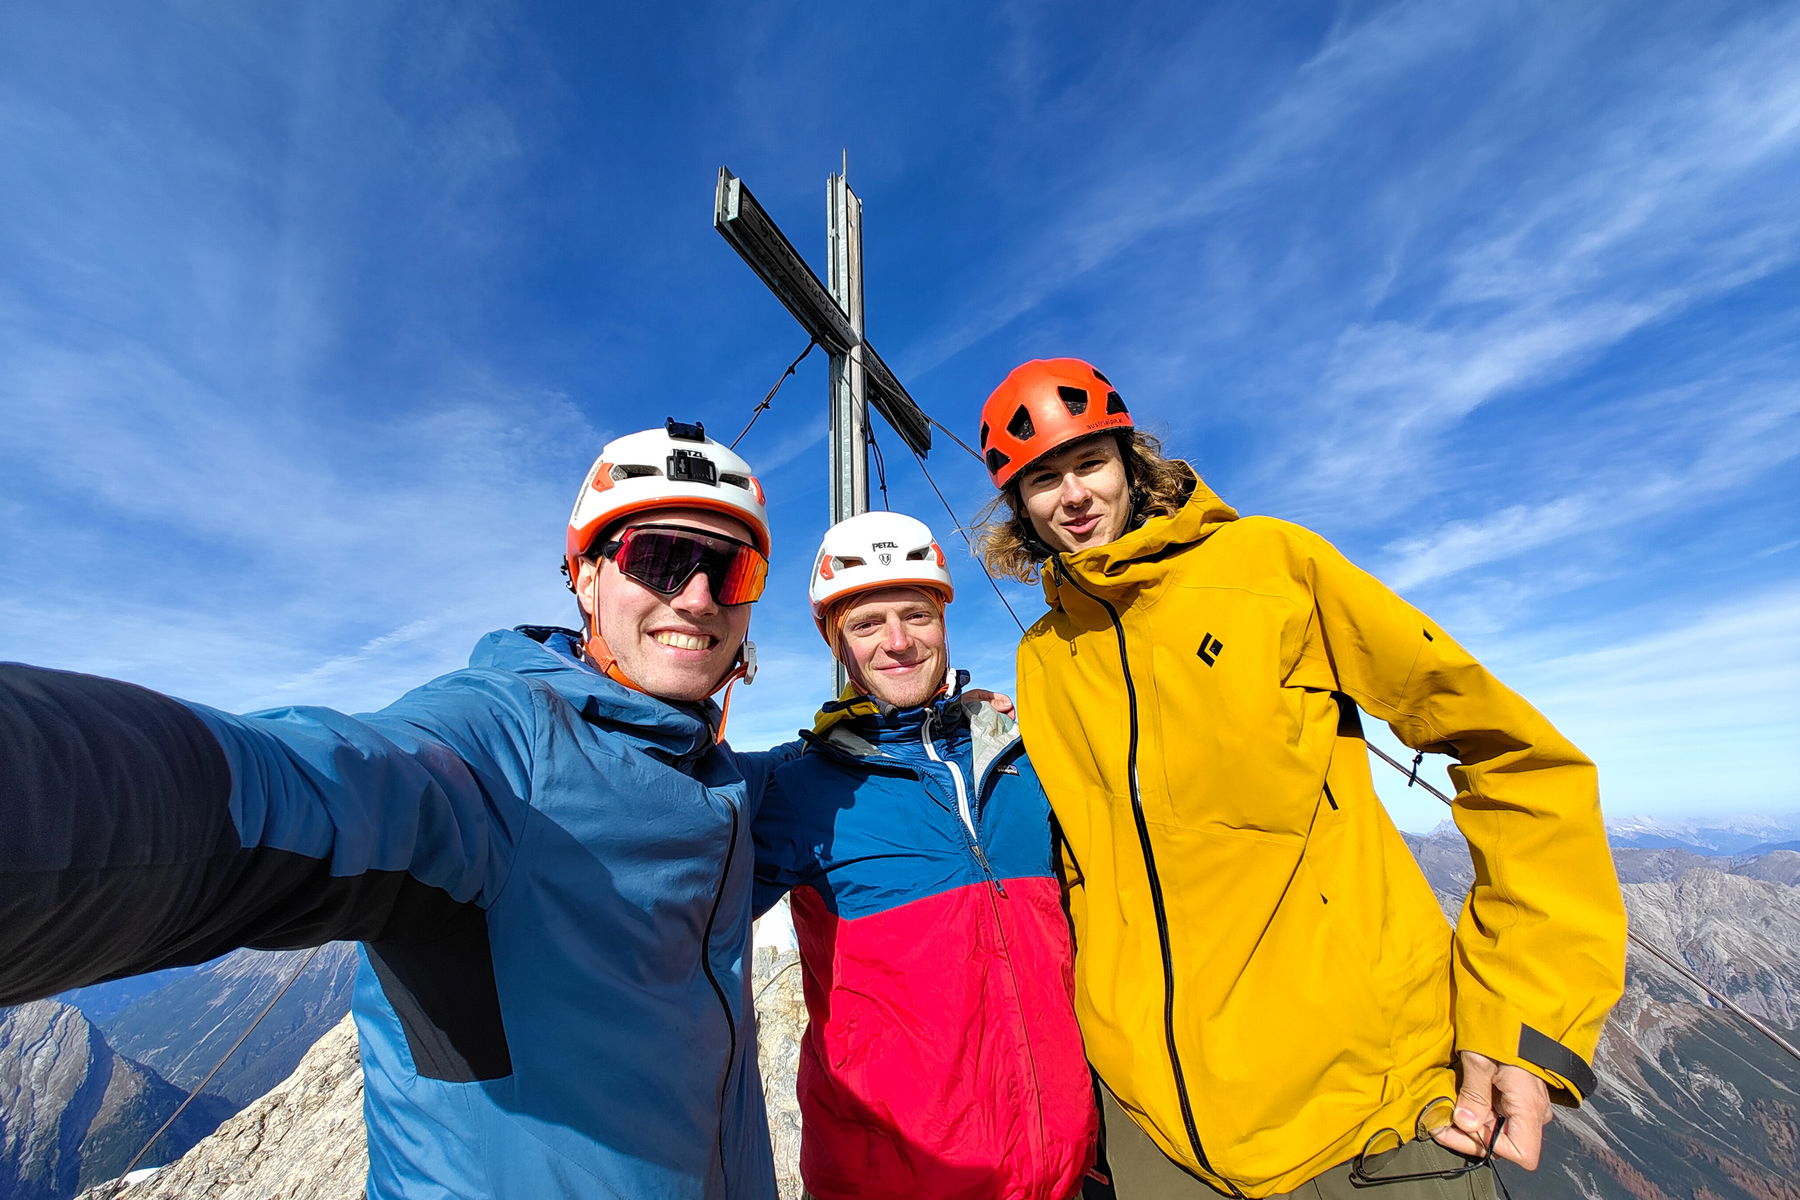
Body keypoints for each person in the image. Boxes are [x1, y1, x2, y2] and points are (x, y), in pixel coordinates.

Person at [0, 419, 789, 1200]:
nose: (696, 597)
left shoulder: (717, 782)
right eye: (659, 559)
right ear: (585, 577)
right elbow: (306, 781)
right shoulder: (498, 744)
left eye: (733, 572)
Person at [972, 358, 1628, 1200]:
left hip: (1367, 1120)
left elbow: (1515, 756)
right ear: (1019, 508)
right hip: (1158, 1137)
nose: (1074, 497)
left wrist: (1525, 1013)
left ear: (1131, 462)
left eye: (1089, 463)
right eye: (1043, 480)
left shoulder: (1267, 565)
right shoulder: (1043, 660)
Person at [752, 510, 1098, 1200]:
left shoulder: (1027, 764)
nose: (899, 642)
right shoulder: (796, 787)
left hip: (1067, 1170)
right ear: (836, 644)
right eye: (866, 624)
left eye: (916, 614)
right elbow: (668, 904)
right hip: (891, 1181)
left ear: (944, 620)